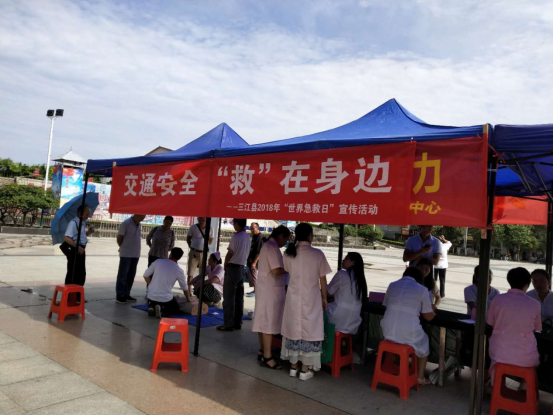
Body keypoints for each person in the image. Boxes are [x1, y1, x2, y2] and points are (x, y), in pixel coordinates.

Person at [280, 223, 332, 381]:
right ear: (310, 236)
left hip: (293, 298)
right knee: (310, 332)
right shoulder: (317, 254)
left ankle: (293, 367)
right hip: (311, 298)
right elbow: (323, 280)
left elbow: (287, 271)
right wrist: (324, 298)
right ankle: (304, 370)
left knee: (294, 330)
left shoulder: (289, 254)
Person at [381, 267, 436, 385]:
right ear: (419, 279)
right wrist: (434, 309)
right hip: (407, 333)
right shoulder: (422, 289)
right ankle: (420, 377)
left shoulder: (392, 285)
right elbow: (428, 316)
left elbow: (385, 305)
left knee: (405, 334)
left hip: (387, 331)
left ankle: (392, 366)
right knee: (424, 341)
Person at [487, 267, 541, 382]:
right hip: (526, 357)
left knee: (497, 363)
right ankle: (524, 386)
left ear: (509, 281)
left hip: (499, 353)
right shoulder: (535, 304)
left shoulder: (498, 299)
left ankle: (496, 386)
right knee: (533, 365)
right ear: (527, 285)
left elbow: (490, 322)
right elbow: (537, 328)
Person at [252, 225, 291, 369]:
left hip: (265, 289)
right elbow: (275, 270)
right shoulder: (272, 248)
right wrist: (289, 269)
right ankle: (268, 357)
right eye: (286, 239)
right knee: (267, 324)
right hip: (270, 292)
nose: (285, 243)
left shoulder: (267, 245)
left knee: (262, 321)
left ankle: (262, 350)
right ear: (280, 236)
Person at [217, 219, 250, 331]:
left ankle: (228, 323)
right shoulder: (247, 236)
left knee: (229, 297)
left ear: (236, 223)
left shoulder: (236, 236)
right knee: (239, 298)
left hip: (233, 268)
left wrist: (225, 264)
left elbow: (230, 253)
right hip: (241, 268)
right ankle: (237, 322)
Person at [143, 247, 191, 318]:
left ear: (170, 254)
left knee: (154, 299)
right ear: (179, 258)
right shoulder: (179, 270)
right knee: (175, 309)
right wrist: (188, 299)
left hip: (151, 295)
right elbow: (185, 288)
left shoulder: (158, 262)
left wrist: (150, 285)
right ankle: (162, 310)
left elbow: (145, 275)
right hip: (165, 298)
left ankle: (152, 306)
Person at [326, 252, 368, 334]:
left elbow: (329, 292)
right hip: (353, 324)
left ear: (353, 262)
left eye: (346, 259)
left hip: (337, 319)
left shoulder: (342, 274)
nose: (343, 260)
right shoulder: (361, 281)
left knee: (319, 311)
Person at [63, 205, 95, 301]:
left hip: (81, 249)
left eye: (88, 214)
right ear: (80, 213)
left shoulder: (82, 223)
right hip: (75, 250)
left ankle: (77, 295)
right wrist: (78, 247)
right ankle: (69, 296)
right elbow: (66, 238)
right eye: (86, 214)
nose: (88, 216)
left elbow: (80, 236)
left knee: (81, 274)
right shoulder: (73, 223)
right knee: (73, 273)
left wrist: (88, 232)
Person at [116, 214, 145, 304]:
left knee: (131, 276)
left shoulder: (139, 225)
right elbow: (119, 237)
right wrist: (123, 247)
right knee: (123, 275)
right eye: (143, 216)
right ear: (137, 214)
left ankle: (126, 293)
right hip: (126, 254)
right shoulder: (126, 223)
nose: (143, 218)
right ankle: (120, 295)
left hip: (135, 254)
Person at [186, 217, 214, 293]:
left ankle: (200, 290)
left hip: (204, 252)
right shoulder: (193, 227)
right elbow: (188, 239)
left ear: (206, 220)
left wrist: (206, 237)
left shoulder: (210, 228)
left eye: (203, 220)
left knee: (203, 272)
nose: (201, 221)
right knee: (190, 272)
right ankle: (189, 291)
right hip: (194, 252)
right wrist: (192, 248)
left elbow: (210, 242)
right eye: (199, 220)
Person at [246, 222, 263, 297]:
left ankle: (256, 292)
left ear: (257, 228)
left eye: (253, 229)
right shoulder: (254, 236)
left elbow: (259, 252)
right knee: (252, 277)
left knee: (255, 276)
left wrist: (254, 262)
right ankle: (254, 290)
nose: (252, 230)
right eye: (251, 229)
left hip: (255, 261)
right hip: (250, 259)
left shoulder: (259, 238)